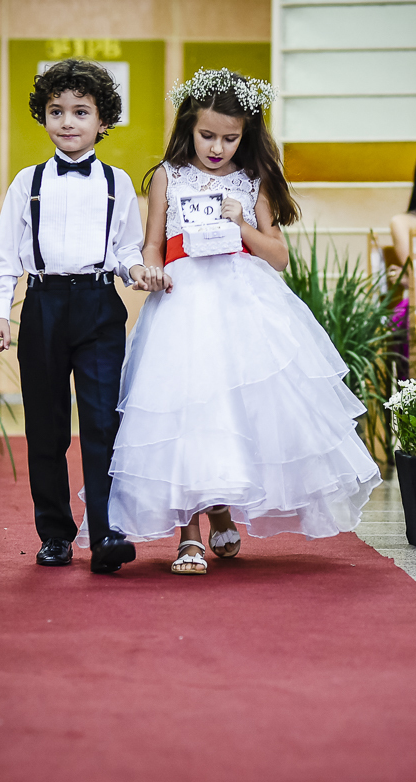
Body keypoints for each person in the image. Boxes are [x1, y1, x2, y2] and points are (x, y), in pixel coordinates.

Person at [106, 68, 383, 575]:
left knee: (234, 409)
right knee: (186, 408)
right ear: (188, 126)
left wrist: (240, 222)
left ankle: (223, 510)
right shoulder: (168, 174)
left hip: (241, 303)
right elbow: (151, 243)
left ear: (246, 134)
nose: (216, 147)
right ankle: (187, 533)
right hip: (184, 302)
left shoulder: (252, 181)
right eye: (207, 135)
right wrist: (149, 271)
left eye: (230, 138)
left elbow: (277, 255)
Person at [0, 59, 144, 574]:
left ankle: (106, 534)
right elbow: (5, 255)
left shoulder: (118, 183)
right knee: (45, 426)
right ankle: (54, 532)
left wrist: (136, 268)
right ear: (43, 117)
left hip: (99, 307)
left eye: (80, 111)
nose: (67, 122)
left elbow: (127, 247)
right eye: (56, 111)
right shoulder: (25, 182)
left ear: (103, 120)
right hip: (44, 305)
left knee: (101, 423)